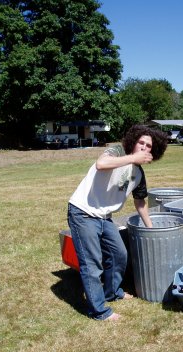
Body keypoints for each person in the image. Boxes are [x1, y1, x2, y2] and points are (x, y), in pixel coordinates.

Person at [67, 125, 168, 321]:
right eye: (141, 142)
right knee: (92, 264)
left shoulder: (139, 175)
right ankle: (99, 311)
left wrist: (151, 228)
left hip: (105, 217)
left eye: (149, 146)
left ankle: (112, 292)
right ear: (133, 141)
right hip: (83, 212)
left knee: (119, 254)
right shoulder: (117, 151)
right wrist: (132, 158)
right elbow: (101, 163)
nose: (144, 148)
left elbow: (140, 202)